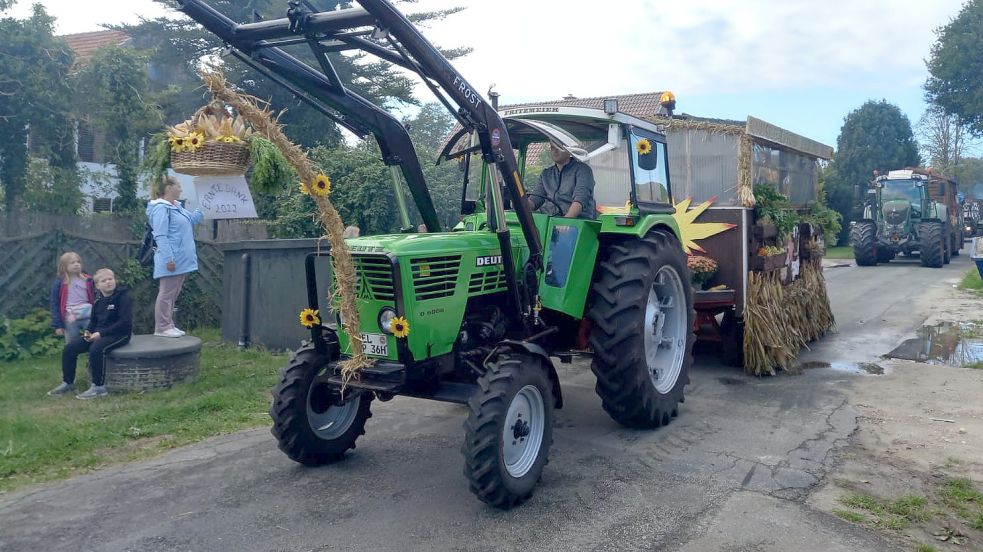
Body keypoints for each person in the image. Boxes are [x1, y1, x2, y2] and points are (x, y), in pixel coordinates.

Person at [47, 268, 132, 399]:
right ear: (97, 285)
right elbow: (93, 321)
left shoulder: (122, 298)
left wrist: (100, 334)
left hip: (119, 335)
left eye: (110, 279)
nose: (108, 282)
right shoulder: (98, 302)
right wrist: (88, 332)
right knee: (70, 348)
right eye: (104, 280)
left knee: (96, 349)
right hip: (98, 334)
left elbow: (124, 322)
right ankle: (68, 382)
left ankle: (98, 387)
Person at [147, 176, 203, 338]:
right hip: (172, 259)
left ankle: (168, 324)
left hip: (182, 259)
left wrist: (203, 204)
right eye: (178, 185)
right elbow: (161, 235)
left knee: (173, 293)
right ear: (168, 188)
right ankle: (162, 327)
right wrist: (168, 259)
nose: (181, 188)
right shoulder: (160, 208)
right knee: (166, 293)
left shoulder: (176, 207)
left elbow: (192, 220)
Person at [526, 141, 596, 219]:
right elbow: (536, 199)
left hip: (576, 223)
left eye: (559, 147)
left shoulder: (583, 170)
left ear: (569, 149)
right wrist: (521, 202)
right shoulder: (546, 174)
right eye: (552, 147)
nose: (555, 151)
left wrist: (566, 221)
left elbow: (580, 199)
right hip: (548, 221)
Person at [49, 251, 96, 345]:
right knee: (72, 342)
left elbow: (96, 295)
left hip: (88, 314)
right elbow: (55, 303)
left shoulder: (88, 280)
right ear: (64, 266)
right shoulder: (60, 283)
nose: (76, 264)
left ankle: (92, 358)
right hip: (70, 316)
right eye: (72, 262)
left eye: (78, 262)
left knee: (92, 338)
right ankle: (71, 358)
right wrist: (58, 325)